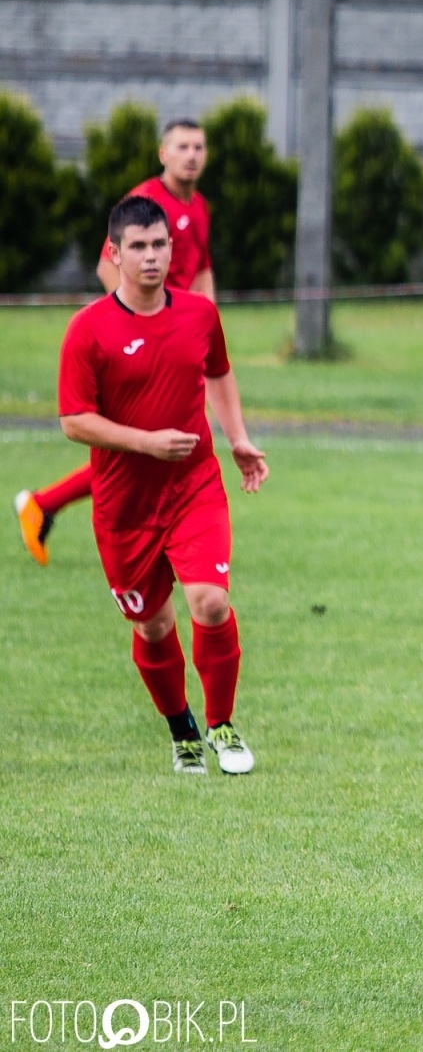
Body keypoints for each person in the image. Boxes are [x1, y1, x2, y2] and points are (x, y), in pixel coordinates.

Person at [58, 194, 266, 775]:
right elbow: (74, 420)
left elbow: (219, 372)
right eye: (139, 247)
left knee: (210, 601)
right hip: (124, 506)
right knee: (152, 624)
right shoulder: (88, 331)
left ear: (171, 249)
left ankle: (222, 725)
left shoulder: (200, 313)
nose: (151, 257)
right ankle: (184, 734)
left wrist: (238, 438)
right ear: (114, 253)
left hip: (194, 486)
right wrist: (145, 441)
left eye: (159, 245)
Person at [16, 118, 214, 565]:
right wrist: (136, 329)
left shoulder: (199, 207)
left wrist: (202, 328)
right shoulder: (144, 202)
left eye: (199, 146)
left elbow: (203, 270)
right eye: (182, 146)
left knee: (165, 447)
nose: (192, 154)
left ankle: (45, 505)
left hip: (177, 342)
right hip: (140, 347)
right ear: (163, 153)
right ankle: (45, 504)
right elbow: (109, 268)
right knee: (137, 449)